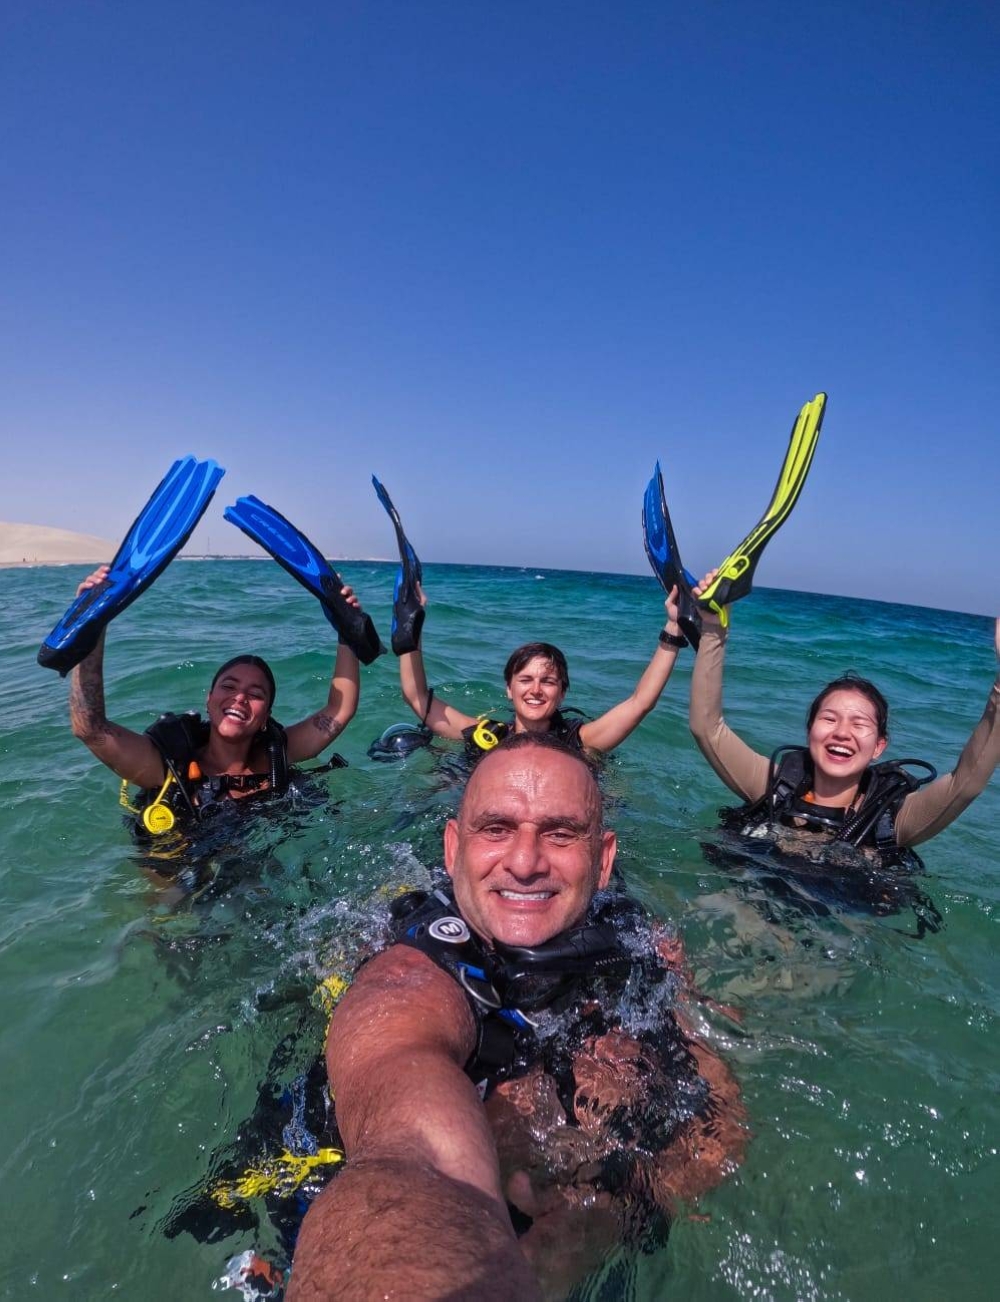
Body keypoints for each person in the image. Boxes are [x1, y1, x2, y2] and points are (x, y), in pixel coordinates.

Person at [288, 733, 745, 1300]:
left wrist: (607, 1217)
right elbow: (415, 1156)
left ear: (604, 861)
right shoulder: (410, 979)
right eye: (496, 829)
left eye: (560, 833)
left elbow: (720, 1133)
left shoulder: (636, 942)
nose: (525, 862)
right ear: (452, 849)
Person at [689, 570, 1000, 864]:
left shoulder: (893, 820)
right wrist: (714, 628)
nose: (842, 732)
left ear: (879, 746)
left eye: (859, 723)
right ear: (810, 730)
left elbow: (966, 784)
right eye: (829, 719)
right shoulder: (773, 787)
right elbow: (707, 728)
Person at [67, 564, 362, 836]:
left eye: (255, 694)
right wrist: (92, 625)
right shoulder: (168, 767)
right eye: (229, 686)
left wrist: (346, 629)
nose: (240, 697)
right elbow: (90, 729)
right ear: (209, 700)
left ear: (266, 715)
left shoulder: (277, 756)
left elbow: (340, 709)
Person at [396, 582, 690, 762]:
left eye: (548, 681)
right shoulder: (488, 737)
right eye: (525, 680)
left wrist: (673, 629)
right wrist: (412, 623)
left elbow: (640, 703)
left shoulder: (581, 742)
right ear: (509, 689)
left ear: (562, 693)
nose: (535, 690)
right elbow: (416, 695)